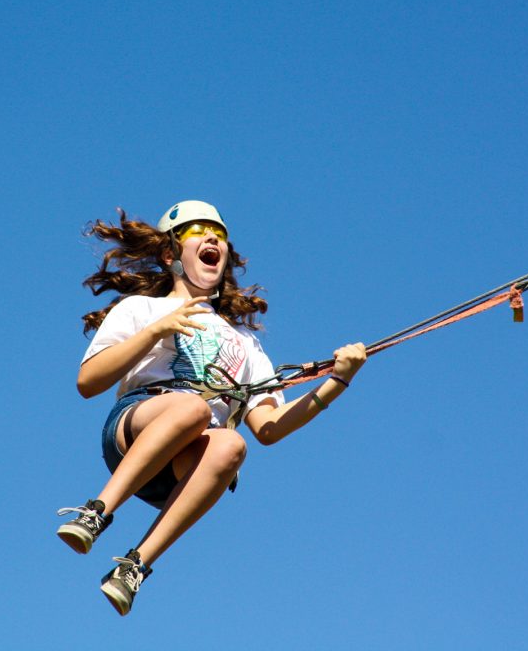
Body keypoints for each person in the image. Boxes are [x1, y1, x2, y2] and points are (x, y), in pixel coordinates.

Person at [56, 200, 366, 616]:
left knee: (232, 447)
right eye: (198, 233)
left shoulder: (246, 343)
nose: (212, 240)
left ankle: (135, 565)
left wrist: (337, 381)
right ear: (171, 255)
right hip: (138, 427)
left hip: (184, 466)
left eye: (219, 236)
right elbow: (88, 382)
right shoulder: (144, 309)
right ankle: (96, 512)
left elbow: (268, 427)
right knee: (192, 409)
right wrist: (154, 332)